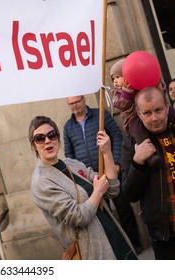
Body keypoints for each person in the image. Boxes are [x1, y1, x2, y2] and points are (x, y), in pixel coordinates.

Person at [30, 116, 137, 259]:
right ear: (33, 145)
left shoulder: (72, 164)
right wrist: (98, 191)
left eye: (51, 134)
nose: (47, 140)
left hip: (114, 237)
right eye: (40, 138)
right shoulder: (41, 182)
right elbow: (77, 217)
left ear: (58, 137)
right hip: (93, 251)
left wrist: (107, 153)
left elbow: (112, 188)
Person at [63, 94, 142, 254]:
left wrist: (117, 163)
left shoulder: (100, 115)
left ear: (84, 100)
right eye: (71, 104)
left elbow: (117, 135)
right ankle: (113, 251)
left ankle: (135, 245)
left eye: (77, 101)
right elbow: (69, 155)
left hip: (110, 171)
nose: (75, 106)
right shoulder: (68, 127)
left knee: (123, 209)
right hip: (90, 180)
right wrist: (79, 179)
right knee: (102, 216)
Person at [121, 86, 175, 260]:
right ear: (138, 113)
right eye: (147, 113)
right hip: (164, 236)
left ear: (167, 106)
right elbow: (129, 193)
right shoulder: (132, 142)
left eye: (158, 110)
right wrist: (138, 162)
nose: (155, 118)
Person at [110, 58, 163, 168]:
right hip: (133, 119)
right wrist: (127, 92)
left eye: (118, 77)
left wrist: (158, 84)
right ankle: (150, 157)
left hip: (146, 115)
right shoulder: (117, 92)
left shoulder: (138, 84)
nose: (115, 81)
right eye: (113, 78)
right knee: (138, 132)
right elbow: (120, 104)